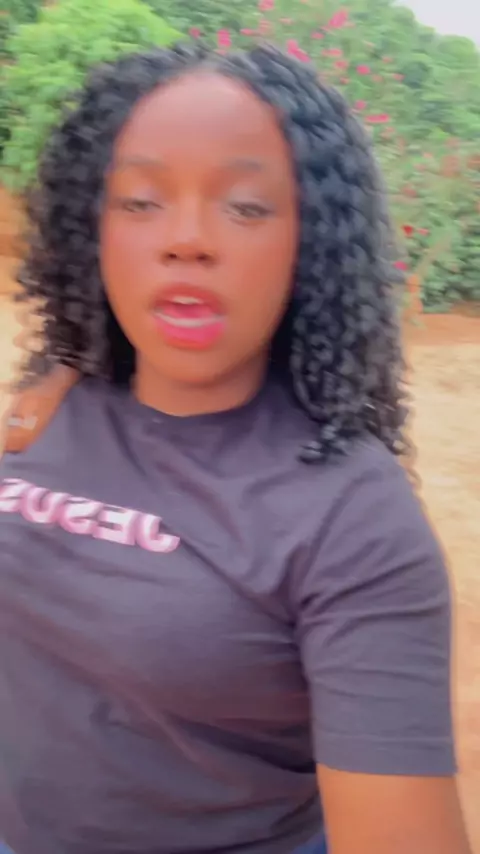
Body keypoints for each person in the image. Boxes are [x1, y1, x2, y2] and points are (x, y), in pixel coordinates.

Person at [0, 43, 471, 854]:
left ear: (309, 244)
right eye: (140, 201)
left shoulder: (352, 517)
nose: (187, 240)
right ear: (92, 227)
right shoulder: (48, 406)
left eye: (247, 208)